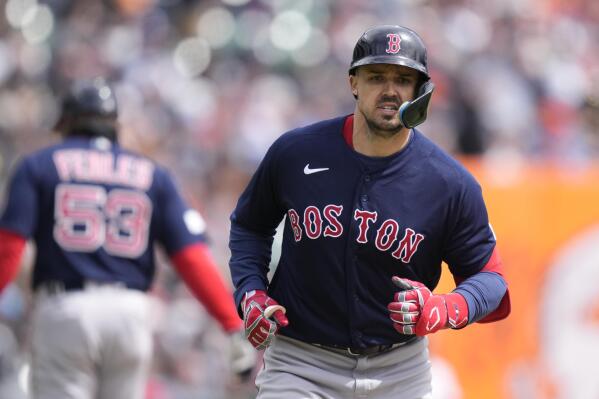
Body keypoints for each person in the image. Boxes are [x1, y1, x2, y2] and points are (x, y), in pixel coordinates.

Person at [228, 25, 511, 399]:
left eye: (403, 79)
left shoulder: (448, 183)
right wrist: (251, 291)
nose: (390, 90)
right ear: (353, 83)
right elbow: (250, 226)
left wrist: (443, 308)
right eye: (376, 76)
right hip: (300, 364)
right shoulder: (295, 153)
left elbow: (490, 279)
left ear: (420, 92)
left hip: (399, 369)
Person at [0, 78, 256, 399]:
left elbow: (9, 249)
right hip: (130, 312)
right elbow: (192, 258)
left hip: (66, 307)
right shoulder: (153, 175)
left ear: (65, 123)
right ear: (114, 126)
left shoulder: (38, 165)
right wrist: (231, 323)